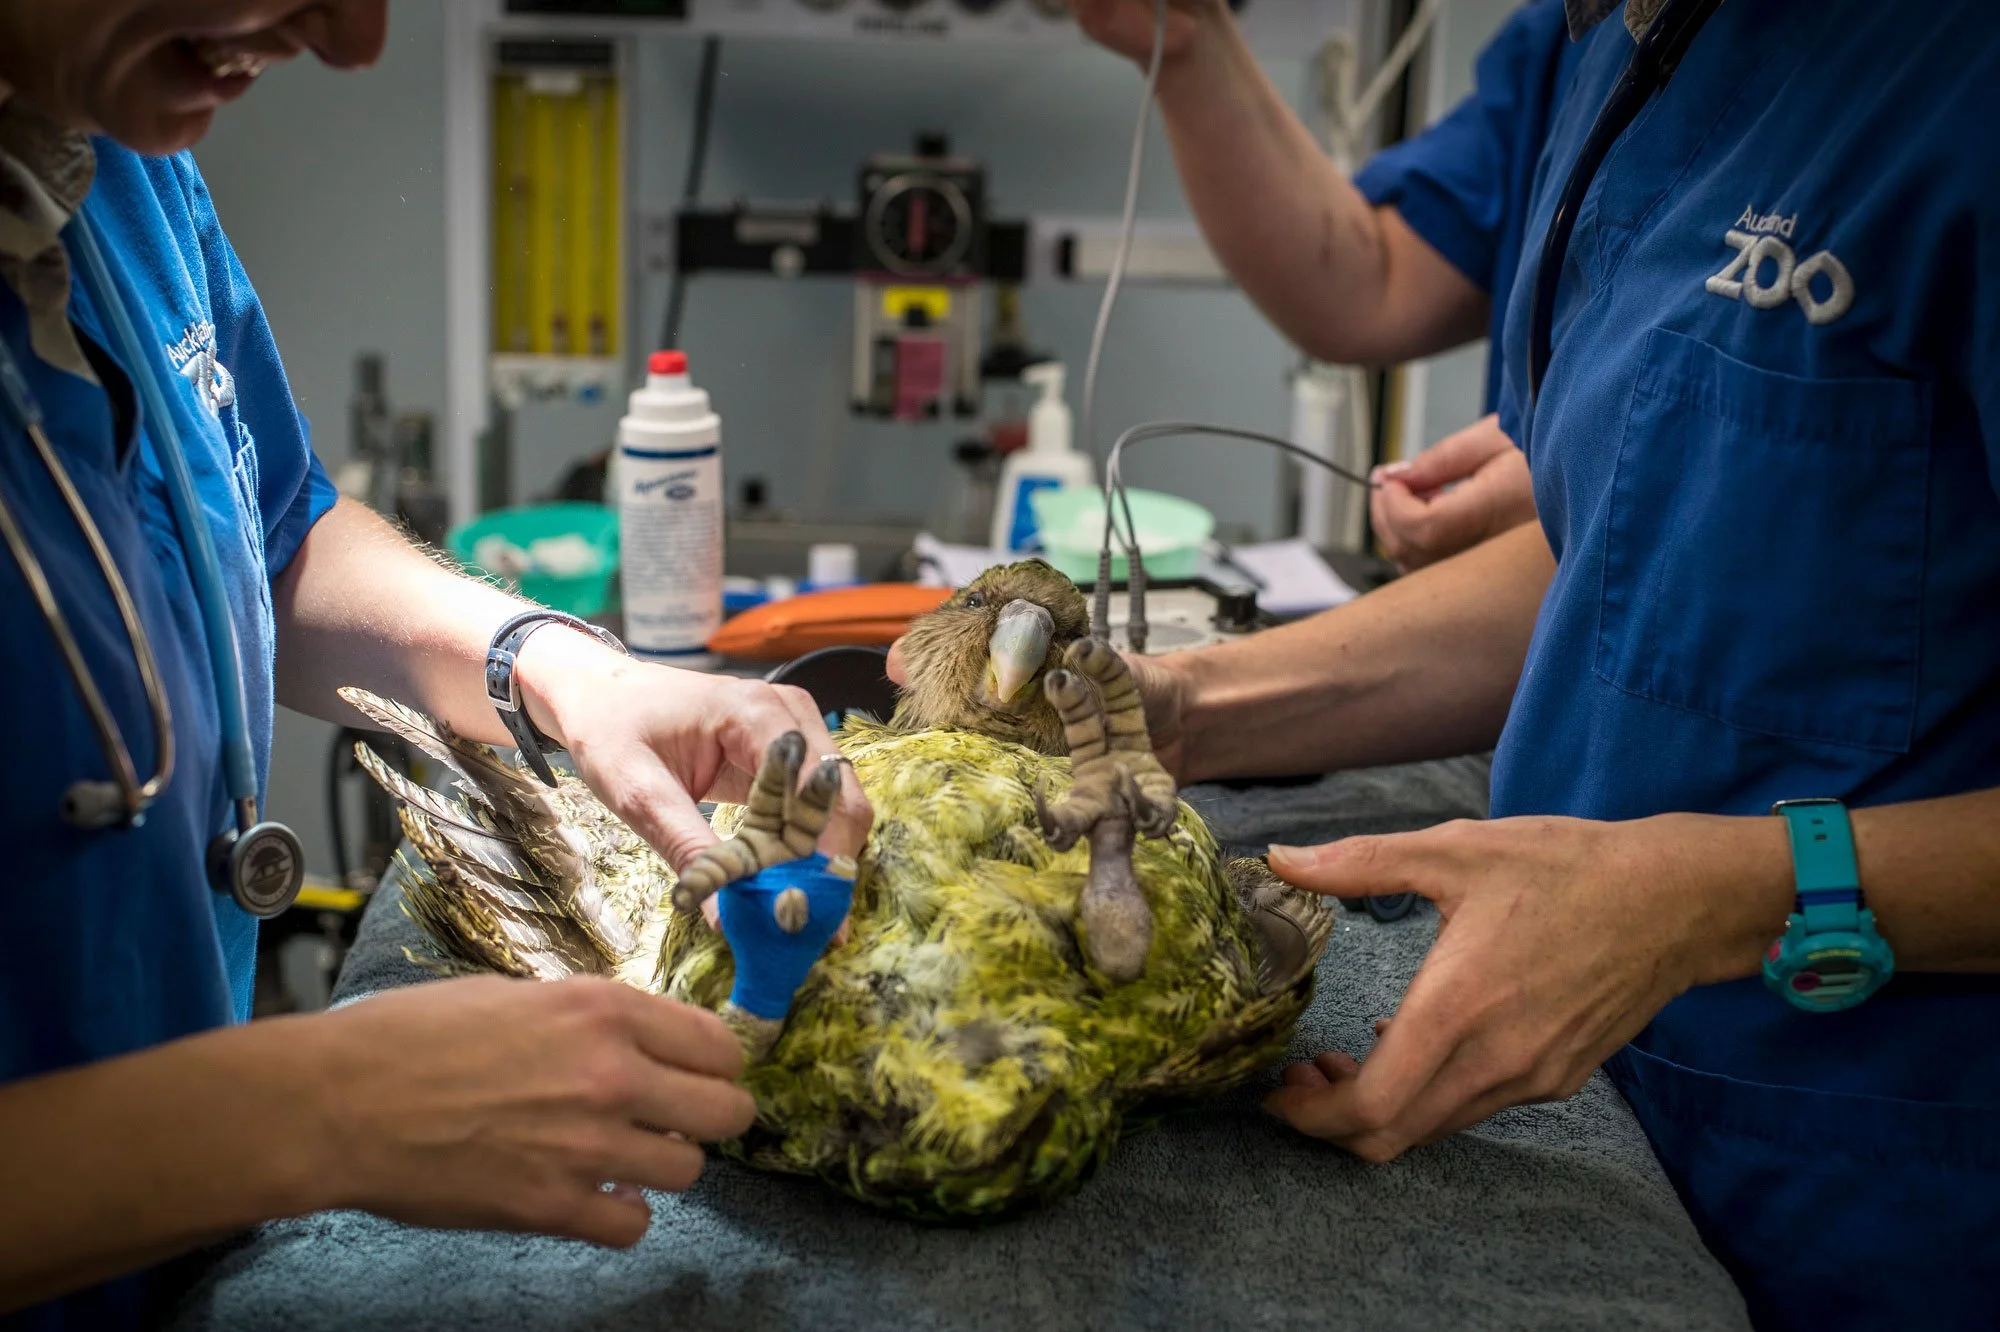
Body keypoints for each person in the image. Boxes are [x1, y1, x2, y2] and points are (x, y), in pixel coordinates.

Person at [1059, 0, 2000, 1325]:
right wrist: (1183, 709)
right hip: (1597, 1105)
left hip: (1887, 1176)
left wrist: (1709, 899)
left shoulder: (1951, 86)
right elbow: (1655, 553)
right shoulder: (1619, 49)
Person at [0, 4, 870, 1327]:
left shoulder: (106, 157)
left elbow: (257, 522)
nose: (351, 40)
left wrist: (552, 664)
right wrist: (315, 1110)